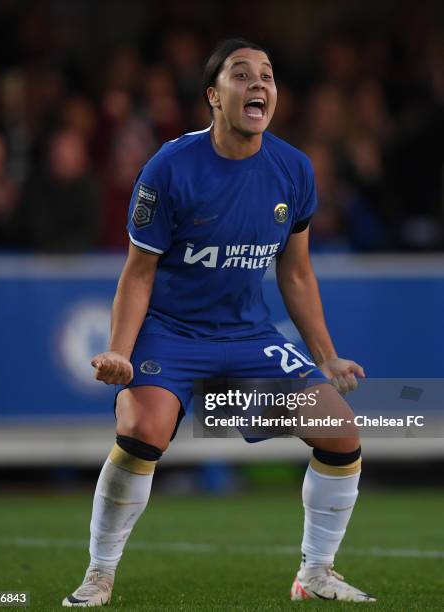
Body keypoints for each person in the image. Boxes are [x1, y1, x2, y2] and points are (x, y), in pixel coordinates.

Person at [62, 38, 376, 606]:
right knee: (142, 431)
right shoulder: (170, 167)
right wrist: (120, 352)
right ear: (213, 95)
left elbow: (297, 274)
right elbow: (137, 273)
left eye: (268, 75)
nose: (258, 84)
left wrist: (326, 355)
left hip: (249, 336)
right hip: (172, 333)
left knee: (343, 433)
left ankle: (316, 574)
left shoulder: (293, 169)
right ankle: (99, 573)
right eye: (241, 75)